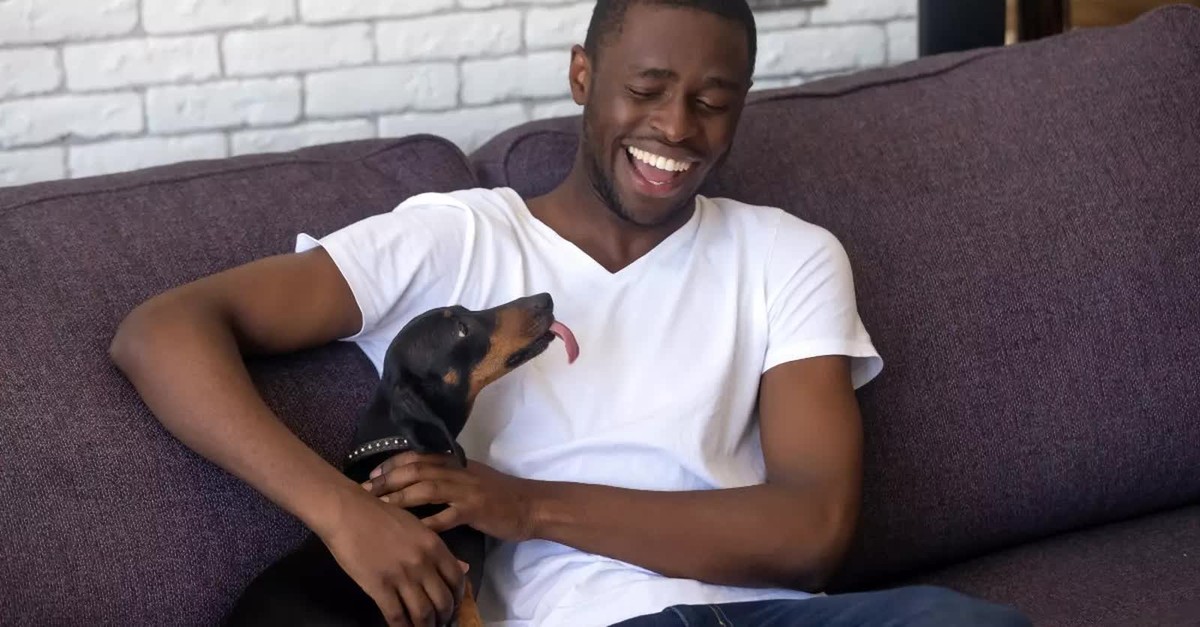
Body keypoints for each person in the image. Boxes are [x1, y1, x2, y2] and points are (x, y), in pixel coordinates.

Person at [110, 1, 1032, 626]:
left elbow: (812, 534)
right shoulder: (454, 240)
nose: (677, 128)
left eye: (714, 102)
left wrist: (522, 504)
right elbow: (162, 332)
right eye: (647, 88)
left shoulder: (788, 254)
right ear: (584, 75)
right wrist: (347, 518)